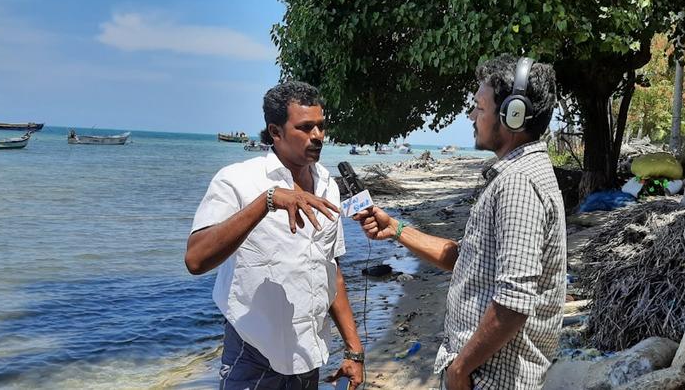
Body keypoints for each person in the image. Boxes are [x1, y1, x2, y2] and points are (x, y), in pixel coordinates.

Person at [355, 55, 566, 389]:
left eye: (480, 108)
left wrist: (459, 370)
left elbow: (514, 302)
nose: (471, 116)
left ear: (513, 115)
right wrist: (394, 229)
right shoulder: (516, 175)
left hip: (490, 379)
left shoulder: (518, 184)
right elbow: (464, 259)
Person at [186, 81, 364, 390]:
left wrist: (354, 349)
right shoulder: (237, 180)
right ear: (275, 131)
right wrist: (266, 201)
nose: (318, 136)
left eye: (321, 126)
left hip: (309, 351)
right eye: (306, 127)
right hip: (252, 350)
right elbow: (196, 259)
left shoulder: (328, 186)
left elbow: (331, 271)